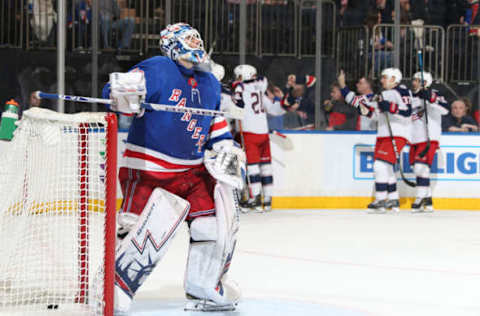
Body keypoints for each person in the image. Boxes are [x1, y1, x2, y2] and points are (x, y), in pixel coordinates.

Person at [102, 23, 245, 314]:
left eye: (198, 36)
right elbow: (117, 94)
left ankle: (203, 286)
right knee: (134, 228)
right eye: (190, 37)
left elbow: (214, 123)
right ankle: (111, 288)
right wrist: (125, 94)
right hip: (148, 167)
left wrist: (227, 149)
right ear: (173, 43)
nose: (197, 41)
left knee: (211, 226)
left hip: (192, 172)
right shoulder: (158, 67)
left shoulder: (209, 82)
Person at [233, 64, 285, 212]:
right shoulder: (260, 89)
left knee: (253, 167)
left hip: (249, 132)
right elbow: (274, 109)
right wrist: (285, 103)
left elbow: (236, 104)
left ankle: (254, 199)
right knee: (266, 167)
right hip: (263, 133)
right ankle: (267, 199)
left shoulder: (241, 88)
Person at [367, 68, 412, 213]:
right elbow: (376, 115)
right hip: (383, 134)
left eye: (384, 77)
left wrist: (392, 107)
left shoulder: (402, 90)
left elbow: (408, 112)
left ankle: (381, 200)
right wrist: (366, 111)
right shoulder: (384, 94)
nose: (381, 80)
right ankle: (393, 199)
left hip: (397, 134)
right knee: (385, 168)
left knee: (379, 166)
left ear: (393, 79)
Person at [409, 71, 449, 212]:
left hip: (429, 137)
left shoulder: (435, 93)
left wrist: (431, 99)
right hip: (414, 138)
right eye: (413, 80)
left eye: (417, 80)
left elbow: (445, 110)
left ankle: (419, 198)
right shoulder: (410, 95)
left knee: (421, 167)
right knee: (418, 169)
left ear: (425, 82)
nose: (413, 82)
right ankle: (428, 199)